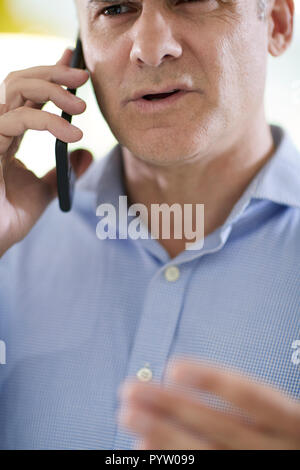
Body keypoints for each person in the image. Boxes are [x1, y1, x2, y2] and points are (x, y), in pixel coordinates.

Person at [0, 0, 299, 450]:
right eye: (115, 8)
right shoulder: (13, 242)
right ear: (80, 54)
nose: (151, 47)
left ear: (276, 23)